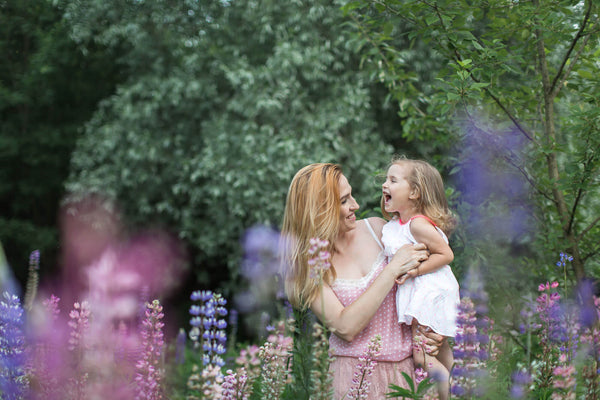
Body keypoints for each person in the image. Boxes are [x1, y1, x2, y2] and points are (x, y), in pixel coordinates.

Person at [281, 163, 443, 400]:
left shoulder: (379, 229)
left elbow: (427, 284)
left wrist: (433, 333)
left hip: (409, 374)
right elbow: (345, 328)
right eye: (344, 200)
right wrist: (392, 269)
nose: (355, 205)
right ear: (319, 210)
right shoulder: (307, 267)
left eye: (351, 195)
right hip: (352, 381)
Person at [380, 156, 459, 400]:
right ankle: (459, 389)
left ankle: (447, 395)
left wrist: (414, 271)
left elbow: (446, 254)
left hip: (429, 291)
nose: (384, 185)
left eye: (393, 180)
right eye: (385, 179)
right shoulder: (399, 223)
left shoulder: (417, 225)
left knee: (422, 356)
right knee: (440, 349)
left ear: (414, 192)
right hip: (427, 291)